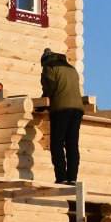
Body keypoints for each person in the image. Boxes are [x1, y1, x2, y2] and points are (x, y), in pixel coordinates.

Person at [40, 48, 83, 184]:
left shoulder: (49, 67)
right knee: (72, 144)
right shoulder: (71, 68)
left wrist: (42, 102)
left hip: (61, 108)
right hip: (77, 109)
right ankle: (72, 178)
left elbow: (50, 87)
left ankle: (61, 177)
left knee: (57, 144)